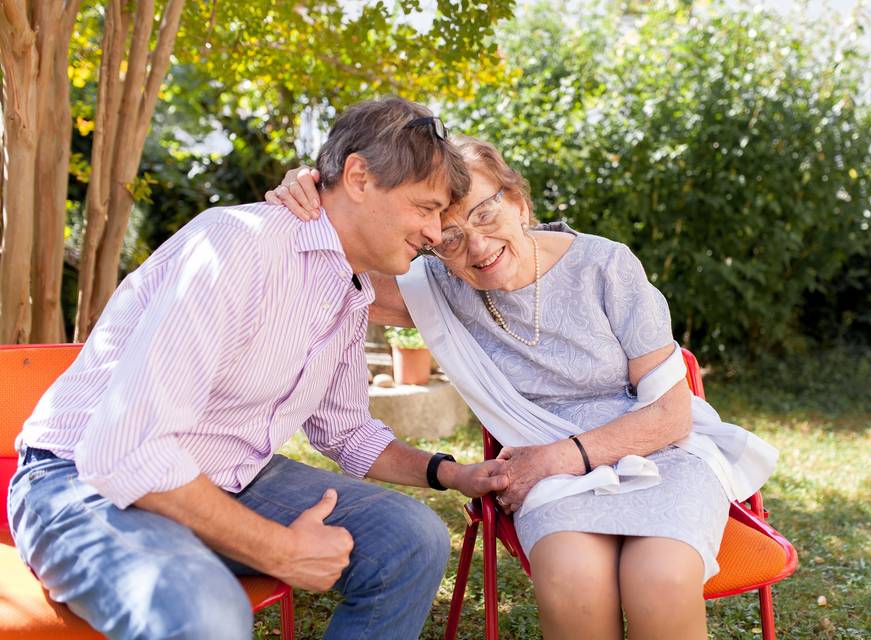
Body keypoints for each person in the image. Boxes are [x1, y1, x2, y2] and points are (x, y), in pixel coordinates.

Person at [9, 98, 510, 640]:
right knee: (206, 615)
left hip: (226, 477)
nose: (436, 233)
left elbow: (346, 433)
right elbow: (126, 448)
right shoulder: (238, 244)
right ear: (360, 176)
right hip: (82, 479)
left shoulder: (350, 288)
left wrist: (450, 473)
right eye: (426, 208)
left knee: (411, 538)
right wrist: (281, 550)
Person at [267, 135, 778, 640]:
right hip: (549, 477)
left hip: (660, 452)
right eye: (449, 237)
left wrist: (557, 458)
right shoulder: (442, 286)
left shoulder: (605, 265)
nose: (478, 246)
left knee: (660, 582)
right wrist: (310, 198)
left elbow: (670, 416)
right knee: (573, 581)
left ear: (519, 201)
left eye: (486, 214)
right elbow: (327, 262)